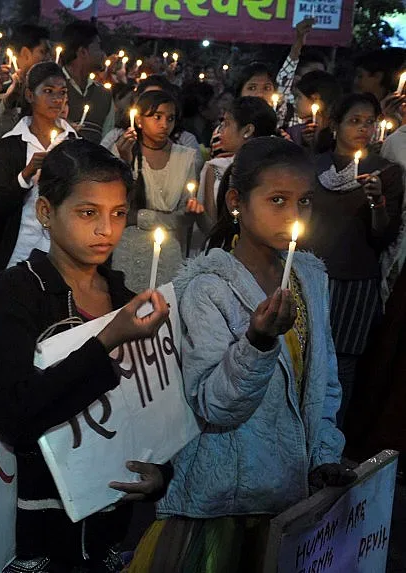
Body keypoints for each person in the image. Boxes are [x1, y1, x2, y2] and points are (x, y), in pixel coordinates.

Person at [130, 137, 354, 573]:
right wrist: (257, 343)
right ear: (236, 201)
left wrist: (325, 454)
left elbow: (323, 383)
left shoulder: (310, 278)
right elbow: (215, 404)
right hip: (225, 500)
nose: (293, 216)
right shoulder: (208, 288)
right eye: (277, 200)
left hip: (291, 494)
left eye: (304, 201)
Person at [0, 139, 172, 572]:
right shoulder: (20, 293)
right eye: (88, 213)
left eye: (118, 213)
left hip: (111, 527)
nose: (106, 229)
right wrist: (105, 341)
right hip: (40, 528)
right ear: (46, 212)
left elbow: (152, 407)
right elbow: (13, 414)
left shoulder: (124, 298)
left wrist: (161, 476)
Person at [308, 93, 404, 425]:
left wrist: (377, 203)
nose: (363, 128)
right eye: (354, 121)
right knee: (304, 357)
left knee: (342, 366)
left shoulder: (386, 173)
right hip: (310, 277)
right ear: (335, 125)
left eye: (369, 122)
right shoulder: (313, 166)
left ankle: (329, 443)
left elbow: (383, 237)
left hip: (354, 285)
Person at [112, 89, 202, 291]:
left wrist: (141, 217)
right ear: (140, 121)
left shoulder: (185, 157)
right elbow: (119, 209)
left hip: (168, 248)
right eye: (157, 117)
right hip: (128, 246)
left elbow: (184, 216)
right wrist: (125, 162)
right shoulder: (124, 151)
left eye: (170, 119)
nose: (164, 125)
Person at [0, 62, 77, 272]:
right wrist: (26, 174)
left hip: (61, 251)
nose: (57, 100)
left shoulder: (73, 143)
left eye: (62, 93)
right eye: (48, 91)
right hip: (20, 249)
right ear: (30, 95)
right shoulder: (12, 143)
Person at [199, 96, 277, 228]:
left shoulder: (274, 171)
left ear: (247, 130)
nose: (220, 130)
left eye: (227, 124)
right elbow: (211, 225)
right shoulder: (215, 168)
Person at [60, 20, 114, 143]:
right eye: (99, 47)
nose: (103, 54)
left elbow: (107, 142)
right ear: (83, 52)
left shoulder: (104, 95)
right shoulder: (51, 87)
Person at [0, 24, 50, 136]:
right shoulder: (1, 87)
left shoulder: (49, 87)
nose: (47, 59)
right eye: (42, 52)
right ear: (26, 53)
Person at [289, 70, 342, 148]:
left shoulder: (338, 132)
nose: (295, 102)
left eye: (298, 97)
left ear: (315, 98)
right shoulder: (296, 132)